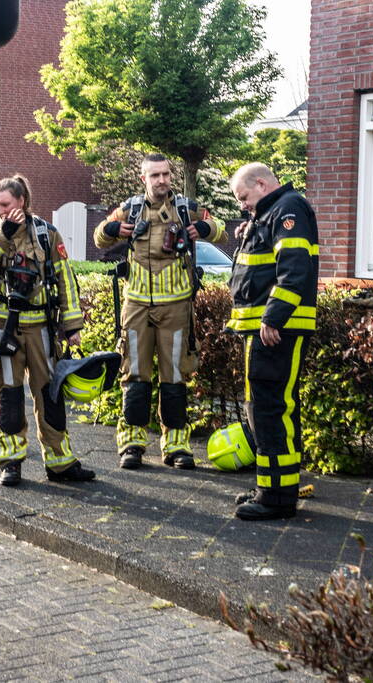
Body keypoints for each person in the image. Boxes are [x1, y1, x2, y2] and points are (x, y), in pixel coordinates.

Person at [94, 153, 226, 470]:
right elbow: (99, 237)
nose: (162, 180)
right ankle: (131, 444)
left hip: (177, 306)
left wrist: (205, 228)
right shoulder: (130, 208)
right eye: (155, 175)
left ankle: (177, 446)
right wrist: (114, 228)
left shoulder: (186, 208)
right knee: (135, 375)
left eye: (166, 174)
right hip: (137, 305)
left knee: (175, 375)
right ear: (144, 179)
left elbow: (220, 228)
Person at [0, 175, 94, 487]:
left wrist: (72, 326)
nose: (0, 211)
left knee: (49, 394)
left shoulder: (46, 234)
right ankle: (11, 463)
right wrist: (3, 235)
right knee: (9, 395)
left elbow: (65, 278)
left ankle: (60, 462)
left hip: (41, 328)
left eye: (5, 205)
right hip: (3, 331)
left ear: (21, 201)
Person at [227, 163, 319, 521]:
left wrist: (273, 316)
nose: (243, 205)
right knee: (267, 408)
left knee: (271, 409)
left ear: (262, 184)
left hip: (277, 331)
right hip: (267, 330)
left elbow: (295, 267)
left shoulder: (288, 208)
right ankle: (274, 486)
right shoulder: (273, 212)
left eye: (244, 197)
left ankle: (276, 498)